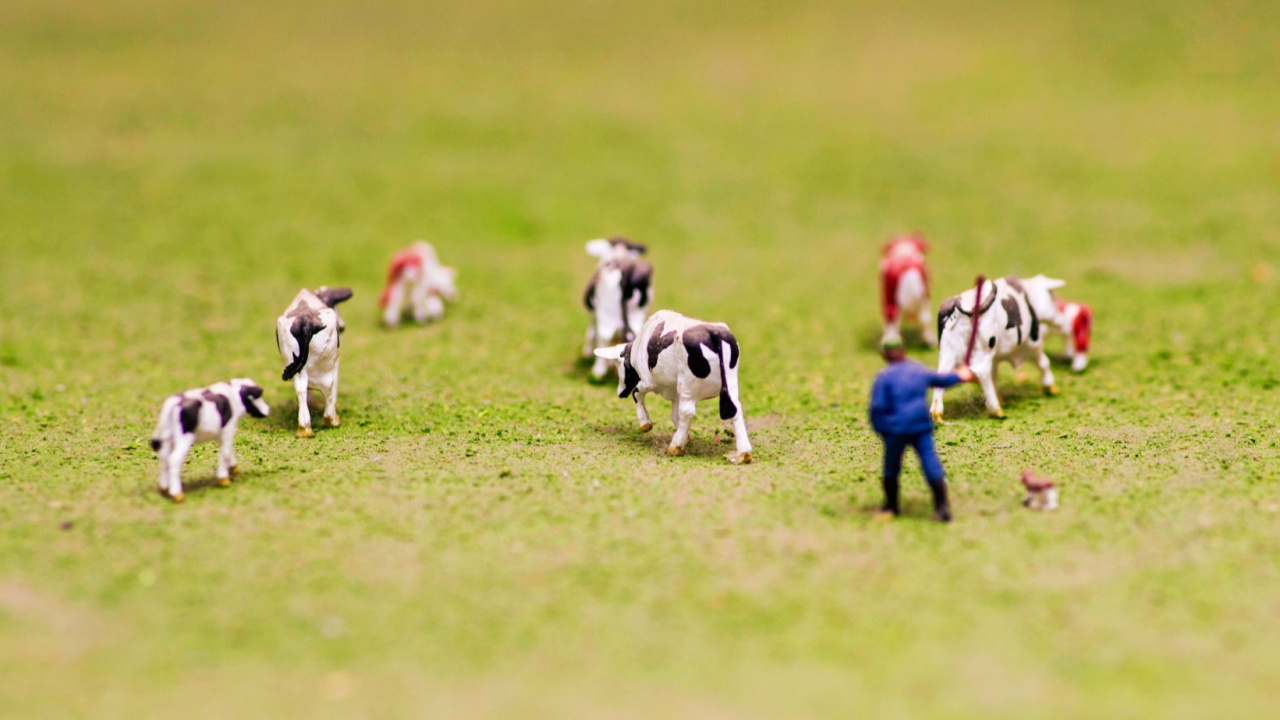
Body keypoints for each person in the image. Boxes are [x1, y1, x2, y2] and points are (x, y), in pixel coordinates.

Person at [869, 339, 975, 522]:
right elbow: (941, 380)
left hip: (896, 429)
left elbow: (877, 407)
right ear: (904, 351)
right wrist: (960, 375)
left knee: (891, 467)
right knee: (930, 463)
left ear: (885, 356)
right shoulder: (917, 369)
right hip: (920, 426)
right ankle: (942, 508)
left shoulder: (884, 377)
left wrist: (882, 430)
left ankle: (891, 506)